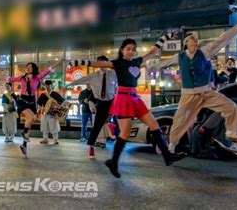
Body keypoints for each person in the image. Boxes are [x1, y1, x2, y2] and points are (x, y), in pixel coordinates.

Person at [69, 35, 187, 178]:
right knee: (124, 133)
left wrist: (165, 37)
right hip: (123, 99)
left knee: (154, 124)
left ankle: (167, 156)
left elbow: (152, 52)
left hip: (135, 98)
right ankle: (113, 161)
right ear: (122, 50)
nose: (131, 51)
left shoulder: (137, 62)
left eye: (133, 49)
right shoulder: (117, 63)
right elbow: (98, 64)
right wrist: (77, 61)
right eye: (128, 49)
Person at [150, 16, 237, 154]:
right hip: (188, 95)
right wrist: (150, 67)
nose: (195, 40)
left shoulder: (205, 52)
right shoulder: (180, 57)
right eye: (192, 38)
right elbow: (162, 64)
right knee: (180, 120)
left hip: (206, 93)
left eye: (196, 38)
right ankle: (172, 145)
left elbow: (221, 40)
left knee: (230, 105)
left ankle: (231, 132)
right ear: (186, 43)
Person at [7, 59, 64, 155]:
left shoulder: (37, 77)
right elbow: (10, 79)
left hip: (32, 101)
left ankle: (24, 145)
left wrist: (60, 61)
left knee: (29, 122)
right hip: (23, 100)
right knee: (31, 117)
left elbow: (48, 70)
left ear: (33, 69)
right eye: (27, 67)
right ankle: (24, 134)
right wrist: (7, 80)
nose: (28, 68)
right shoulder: (22, 78)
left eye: (30, 67)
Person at [88, 56, 117, 158]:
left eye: (104, 63)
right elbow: (91, 94)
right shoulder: (94, 76)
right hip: (101, 102)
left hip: (113, 100)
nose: (102, 65)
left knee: (120, 120)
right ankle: (91, 147)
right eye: (100, 63)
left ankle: (114, 138)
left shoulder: (113, 74)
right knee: (97, 126)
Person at [37, 80, 65, 145]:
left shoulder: (56, 94)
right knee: (45, 126)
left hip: (53, 113)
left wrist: (59, 107)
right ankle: (45, 139)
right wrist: (38, 110)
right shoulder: (43, 95)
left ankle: (55, 140)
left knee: (54, 126)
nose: (47, 86)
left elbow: (62, 102)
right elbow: (39, 104)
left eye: (49, 85)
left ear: (51, 85)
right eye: (46, 85)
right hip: (45, 113)